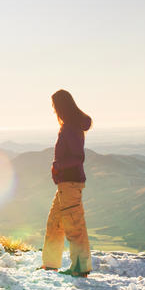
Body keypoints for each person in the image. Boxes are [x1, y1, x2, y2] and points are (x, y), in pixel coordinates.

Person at [40, 89, 92, 277]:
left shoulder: (70, 128)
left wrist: (57, 166)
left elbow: (78, 157)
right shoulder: (71, 126)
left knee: (74, 226)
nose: (54, 110)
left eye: (54, 106)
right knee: (55, 223)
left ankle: (80, 268)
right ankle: (50, 264)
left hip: (70, 183)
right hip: (65, 184)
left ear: (61, 106)